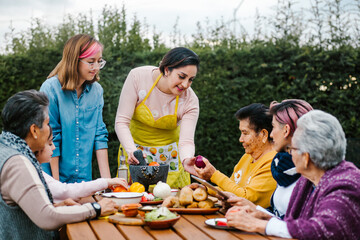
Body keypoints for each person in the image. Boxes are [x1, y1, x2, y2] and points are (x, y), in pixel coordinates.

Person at [0, 90, 118, 239]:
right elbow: (46, 217)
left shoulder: (6, 148)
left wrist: (58, 207)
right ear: (34, 130)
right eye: (47, 123)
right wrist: (96, 208)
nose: (50, 129)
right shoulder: (16, 162)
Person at [225, 110, 360, 240]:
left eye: (292, 149)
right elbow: (295, 225)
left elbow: (322, 230)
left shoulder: (346, 185)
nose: (289, 154)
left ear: (306, 158)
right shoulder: (309, 181)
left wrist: (260, 225)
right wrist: (260, 213)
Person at [115, 47, 200, 188]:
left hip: (170, 160)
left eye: (191, 79)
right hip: (135, 154)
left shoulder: (190, 101)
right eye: (181, 76)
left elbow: (186, 142)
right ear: (167, 70)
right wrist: (131, 151)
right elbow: (121, 122)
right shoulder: (138, 77)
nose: (185, 85)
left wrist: (186, 160)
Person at [40, 34, 110, 183]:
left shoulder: (97, 91)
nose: (96, 67)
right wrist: (58, 186)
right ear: (74, 61)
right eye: (91, 62)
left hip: (83, 180)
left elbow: (99, 135)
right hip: (53, 178)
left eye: (99, 62)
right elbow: (52, 136)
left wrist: (107, 184)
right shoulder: (50, 89)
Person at [228, 99, 313, 218]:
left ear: (286, 130)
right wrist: (254, 210)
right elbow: (279, 216)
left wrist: (259, 223)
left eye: (273, 127)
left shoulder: (310, 174)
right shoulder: (282, 167)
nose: (271, 134)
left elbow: (299, 226)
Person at [192, 103, 277, 208]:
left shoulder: (273, 162)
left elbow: (246, 198)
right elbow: (231, 188)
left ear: (263, 134)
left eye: (245, 133)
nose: (240, 139)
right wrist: (206, 189)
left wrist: (214, 175)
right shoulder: (248, 156)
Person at [35, 128, 128, 203]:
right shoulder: (35, 173)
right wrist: (106, 182)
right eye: (50, 144)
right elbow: (65, 191)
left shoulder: (36, 169)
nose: (54, 147)